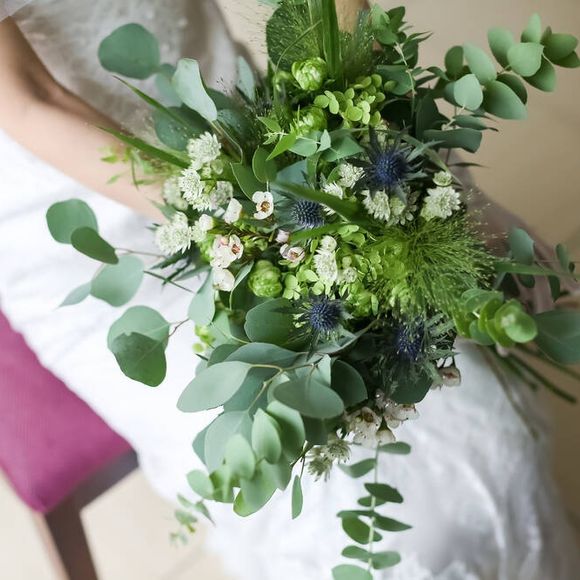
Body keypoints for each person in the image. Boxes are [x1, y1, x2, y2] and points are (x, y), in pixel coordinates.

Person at [0, 1, 578, 578]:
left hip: (241, 121)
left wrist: (394, 143)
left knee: (497, 441)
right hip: (91, 223)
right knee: (358, 520)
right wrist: (235, 216)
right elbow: (30, 101)